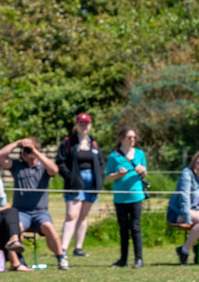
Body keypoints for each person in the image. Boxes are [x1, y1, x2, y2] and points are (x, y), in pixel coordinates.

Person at [0, 137, 67, 270]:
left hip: (41, 212)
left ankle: (61, 258)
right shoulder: (17, 165)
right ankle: (19, 260)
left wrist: (35, 151)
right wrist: (18, 143)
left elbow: (54, 170)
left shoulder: (43, 166)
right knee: (16, 229)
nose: (26, 152)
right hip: (21, 212)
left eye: (28, 150)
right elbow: (1, 155)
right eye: (24, 150)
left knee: (50, 229)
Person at [55, 113, 103, 260]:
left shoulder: (93, 142)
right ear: (76, 125)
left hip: (91, 183)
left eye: (87, 123)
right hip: (74, 182)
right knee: (71, 215)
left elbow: (100, 162)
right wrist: (70, 177)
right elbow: (60, 161)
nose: (84, 126)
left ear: (90, 125)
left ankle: (78, 247)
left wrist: (99, 180)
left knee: (83, 215)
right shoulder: (68, 142)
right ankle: (62, 249)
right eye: (81, 123)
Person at [104, 126, 147, 268]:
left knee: (135, 227)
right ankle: (123, 259)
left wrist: (142, 170)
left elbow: (145, 173)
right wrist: (118, 175)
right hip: (120, 197)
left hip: (136, 195)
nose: (132, 140)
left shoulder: (140, 153)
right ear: (122, 138)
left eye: (134, 137)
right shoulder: (114, 156)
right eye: (129, 137)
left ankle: (139, 259)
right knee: (123, 228)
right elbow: (109, 176)